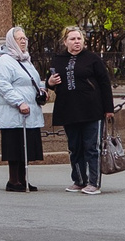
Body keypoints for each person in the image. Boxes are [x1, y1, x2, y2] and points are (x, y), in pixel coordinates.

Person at [48, 26, 114, 195]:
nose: (76, 42)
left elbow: (104, 83)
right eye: (72, 39)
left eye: (79, 39)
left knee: (92, 147)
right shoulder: (58, 60)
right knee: (75, 147)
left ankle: (94, 182)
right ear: (65, 42)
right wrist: (50, 83)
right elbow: (52, 83)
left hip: (92, 109)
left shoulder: (92, 59)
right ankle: (79, 180)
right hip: (69, 109)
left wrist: (108, 108)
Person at [0, 26, 48, 193]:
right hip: (14, 112)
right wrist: (19, 102)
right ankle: (13, 180)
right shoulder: (4, 60)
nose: (23, 41)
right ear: (10, 41)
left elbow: (33, 81)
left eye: (25, 38)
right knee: (15, 146)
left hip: (29, 112)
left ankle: (23, 180)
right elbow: (2, 85)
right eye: (19, 39)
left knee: (25, 147)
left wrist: (42, 91)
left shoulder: (24, 59)